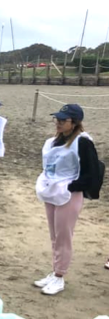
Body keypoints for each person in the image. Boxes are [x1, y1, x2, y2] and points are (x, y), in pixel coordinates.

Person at [34, 104, 101, 296]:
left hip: (68, 194)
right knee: (55, 235)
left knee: (64, 237)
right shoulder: (55, 141)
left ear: (75, 122)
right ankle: (55, 271)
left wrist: (72, 187)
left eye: (63, 120)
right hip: (52, 191)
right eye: (57, 119)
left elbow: (91, 172)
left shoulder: (83, 142)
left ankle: (59, 275)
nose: (58, 123)